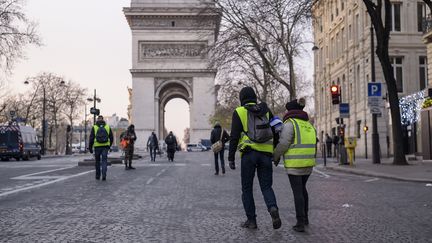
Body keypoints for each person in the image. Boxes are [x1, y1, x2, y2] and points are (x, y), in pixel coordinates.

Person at [228, 86, 281, 230]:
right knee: (266, 187)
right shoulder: (266, 110)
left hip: (249, 154)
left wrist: (231, 157)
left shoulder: (239, 112)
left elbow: (234, 137)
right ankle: (273, 208)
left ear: (242, 99)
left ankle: (251, 221)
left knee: (247, 189)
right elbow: (276, 132)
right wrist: (275, 150)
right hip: (266, 154)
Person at [273, 98, 317, 233]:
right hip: (308, 163)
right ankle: (305, 218)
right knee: (303, 190)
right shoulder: (308, 124)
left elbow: (284, 143)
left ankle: (300, 222)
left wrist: (275, 156)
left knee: (297, 192)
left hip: (295, 164)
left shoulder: (290, 123)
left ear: (289, 111)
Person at [89, 115, 113, 181]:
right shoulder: (107, 127)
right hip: (105, 146)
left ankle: (97, 176)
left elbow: (91, 138)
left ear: (97, 120)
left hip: (97, 146)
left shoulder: (94, 127)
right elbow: (111, 137)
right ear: (103, 120)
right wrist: (109, 145)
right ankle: (104, 175)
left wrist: (90, 148)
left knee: (97, 161)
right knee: (104, 161)